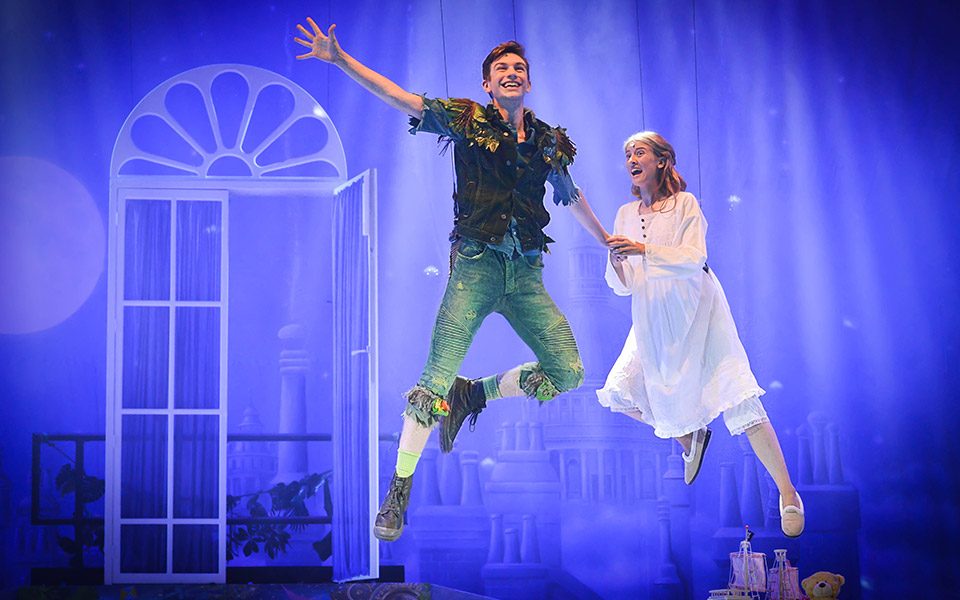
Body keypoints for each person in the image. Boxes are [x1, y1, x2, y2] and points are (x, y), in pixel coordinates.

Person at [294, 18, 609, 542]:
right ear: (488, 84)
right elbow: (402, 99)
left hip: (526, 272)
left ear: (528, 82)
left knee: (570, 372)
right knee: (432, 381)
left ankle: (475, 394)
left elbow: (569, 194)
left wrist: (606, 242)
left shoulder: (550, 141)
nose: (511, 74)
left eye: (519, 68)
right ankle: (398, 489)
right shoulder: (468, 120)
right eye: (501, 69)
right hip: (477, 267)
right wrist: (342, 60)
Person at [599, 131, 804, 537]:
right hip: (651, 315)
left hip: (696, 307)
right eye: (627, 154)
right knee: (621, 394)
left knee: (737, 395)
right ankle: (690, 438)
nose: (631, 159)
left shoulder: (685, 204)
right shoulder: (624, 213)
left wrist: (641, 251)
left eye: (639, 151)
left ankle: (788, 492)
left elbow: (694, 258)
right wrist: (617, 259)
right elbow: (621, 285)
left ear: (661, 160)